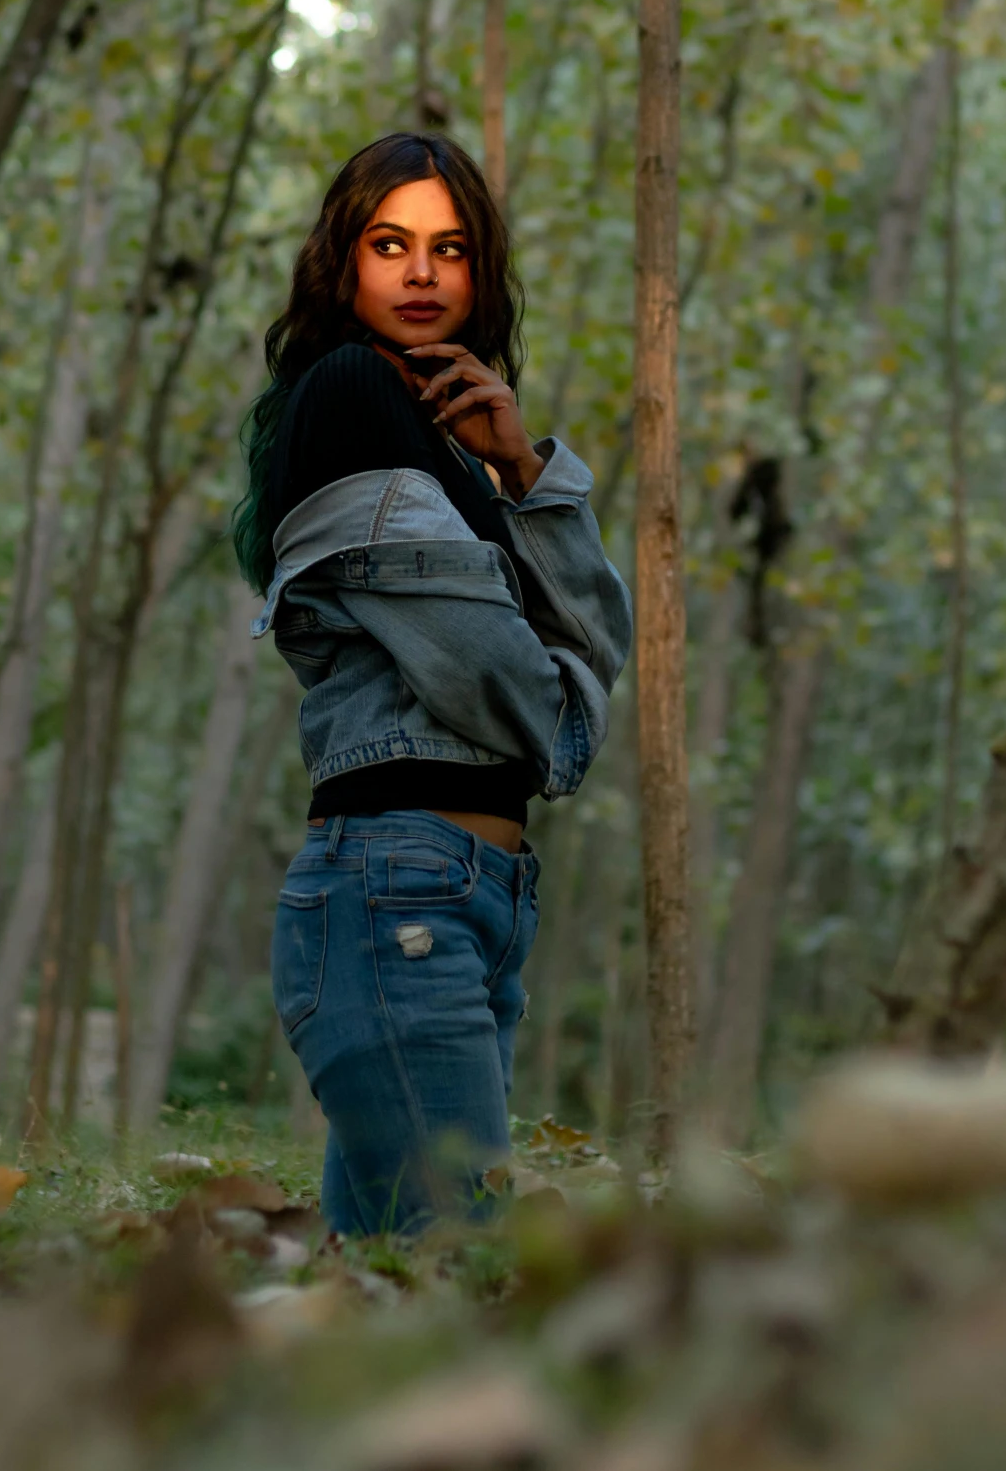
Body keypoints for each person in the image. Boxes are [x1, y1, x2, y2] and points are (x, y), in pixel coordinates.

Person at [234, 131, 632, 1236]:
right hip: (393, 890)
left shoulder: (455, 440)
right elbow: (526, 699)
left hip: (467, 900)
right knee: (460, 1264)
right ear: (342, 263)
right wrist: (555, 703)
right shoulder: (355, 391)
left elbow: (596, 643)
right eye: (389, 243)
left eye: (449, 248)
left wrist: (526, 473)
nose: (420, 274)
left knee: (386, 1292)